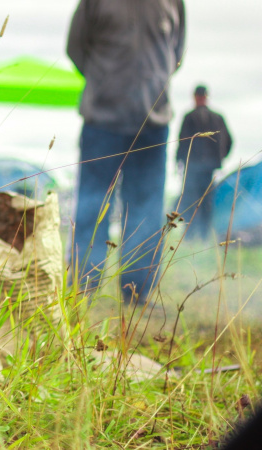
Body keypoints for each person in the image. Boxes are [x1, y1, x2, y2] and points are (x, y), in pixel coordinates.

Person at [67, 0, 186, 304]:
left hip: (153, 124)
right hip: (102, 122)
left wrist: (153, 82)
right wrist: (105, 84)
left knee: (146, 212)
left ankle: (137, 292)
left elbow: (177, 53)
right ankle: (83, 286)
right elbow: (76, 47)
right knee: (91, 208)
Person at [176, 85, 232, 240]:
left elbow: (182, 142)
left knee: (195, 202)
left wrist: (179, 162)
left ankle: (195, 236)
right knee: (203, 203)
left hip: (197, 168)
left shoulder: (190, 117)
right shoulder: (217, 117)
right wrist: (219, 159)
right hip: (204, 168)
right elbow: (229, 142)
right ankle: (200, 236)